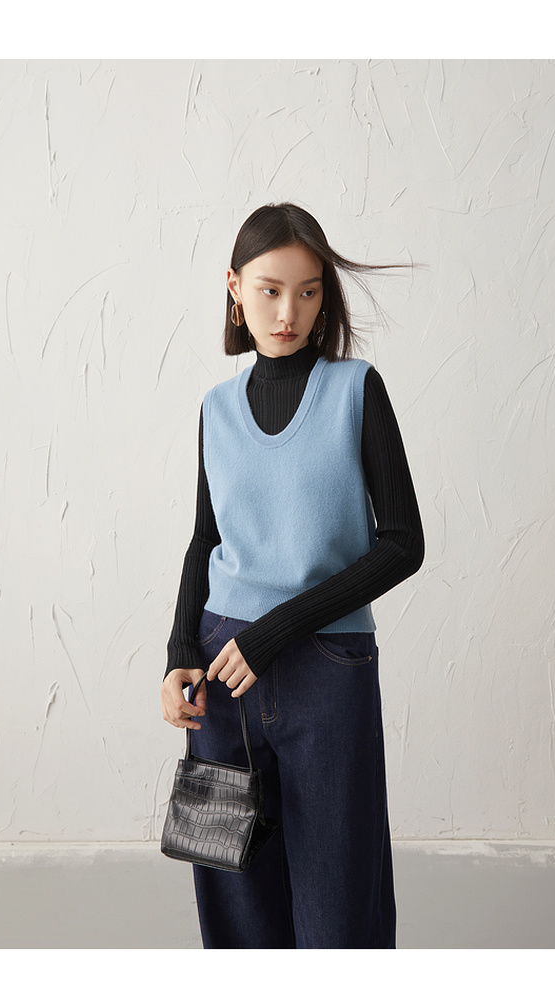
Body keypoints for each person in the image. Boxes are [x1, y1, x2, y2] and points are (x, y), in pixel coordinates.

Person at [161, 202, 424, 949]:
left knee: (339, 900)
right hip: (223, 672)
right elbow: (205, 540)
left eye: (308, 292)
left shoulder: (356, 390)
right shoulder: (216, 408)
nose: (288, 312)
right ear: (234, 288)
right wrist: (178, 652)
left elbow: (403, 543)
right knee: (236, 900)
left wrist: (277, 631)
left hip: (326, 665)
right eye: (270, 290)